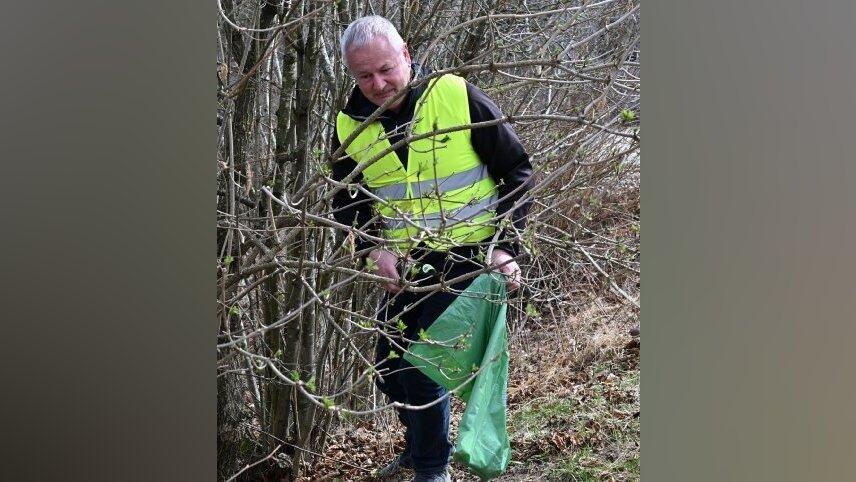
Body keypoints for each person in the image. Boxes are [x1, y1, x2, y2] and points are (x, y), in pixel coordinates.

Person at [331, 15, 532, 482]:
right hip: (406, 265)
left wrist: (506, 247)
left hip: (468, 256)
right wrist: (374, 248)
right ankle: (422, 444)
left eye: (385, 68)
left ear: (406, 53)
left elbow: (517, 170)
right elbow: (346, 196)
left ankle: (431, 469)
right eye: (364, 76)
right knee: (388, 365)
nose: (378, 84)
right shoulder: (349, 124)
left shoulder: (456, 95)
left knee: (423, 363)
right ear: (351, 75)